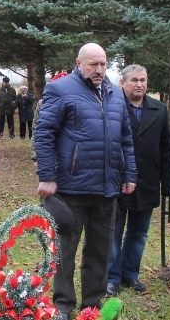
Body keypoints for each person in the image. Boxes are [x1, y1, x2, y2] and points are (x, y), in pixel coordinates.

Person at [34, 43, 137, 320]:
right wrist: (47, 177)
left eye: (103, 64)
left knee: (100, 252)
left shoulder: (115, 93)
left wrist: (129, 175)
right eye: (93, 64)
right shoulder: (61, 89)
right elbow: (44, 134)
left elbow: (126, 137)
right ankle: (63, 307)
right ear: (79, 63)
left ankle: (92, 305)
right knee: (64, 252)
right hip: (71, 188)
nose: (99, 70)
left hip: (107, 187)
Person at [106, 65, 170, 296]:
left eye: (143, 80)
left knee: (139, 233)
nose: (139, 84)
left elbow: (166, 149)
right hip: (118, 181)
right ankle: (112, 277)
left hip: (147, 182)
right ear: (122, 83)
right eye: (134, 80)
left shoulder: (159, 109)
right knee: (114, 232)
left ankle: (130, 273)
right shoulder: (113, 107)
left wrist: (168, 184)